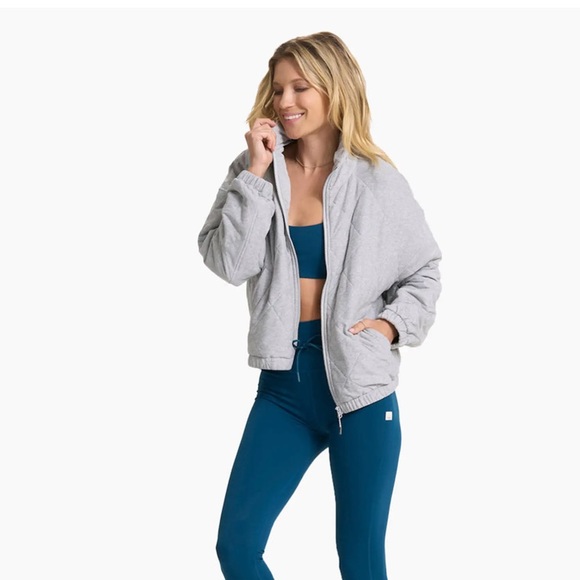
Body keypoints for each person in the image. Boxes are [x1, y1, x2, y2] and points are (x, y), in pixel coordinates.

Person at [198, 31, 442, 580]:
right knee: (237, 546)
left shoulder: (376, 181)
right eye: (278, 88)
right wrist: (255, 174)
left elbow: (424, 270)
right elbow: (228, 262)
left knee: (360, 560)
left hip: (360, 393)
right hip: (284, 390)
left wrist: (389, 326)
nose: (285, 101)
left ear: (334, 89)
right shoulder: (254, 169)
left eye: (301, 87)